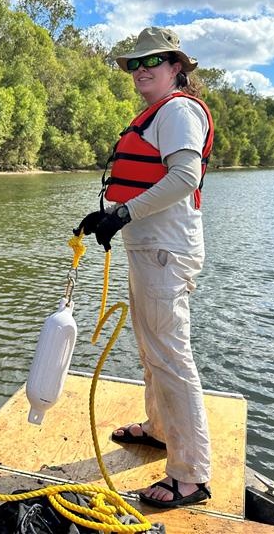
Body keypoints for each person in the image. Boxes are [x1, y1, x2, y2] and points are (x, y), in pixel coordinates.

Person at [74, 27, 215, 508]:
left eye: (152, 61)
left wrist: (124, 212)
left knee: (170, 356)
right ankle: (159, 429)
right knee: (152, 348)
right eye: (135, 63)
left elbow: (185, 177)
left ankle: (191, 474)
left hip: (164, 250)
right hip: (151, 248)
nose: (141, 70)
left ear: (177, 66)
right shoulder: (160, 113)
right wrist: (116, 214)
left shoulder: (177, 110)